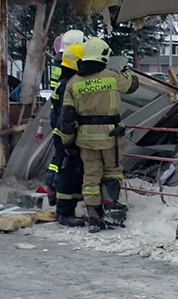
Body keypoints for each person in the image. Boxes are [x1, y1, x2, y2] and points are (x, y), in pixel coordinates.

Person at [58, 37, 139, 233]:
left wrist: (67, 143)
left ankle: (94, 216)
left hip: (85, 138)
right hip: (111, 135)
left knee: (91, 175)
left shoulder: (73, 83)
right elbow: (132, 85)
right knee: (112, 171)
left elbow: (67, 118)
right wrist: (127, 71)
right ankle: (111, 206)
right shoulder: (111, 77)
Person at [45, 43, 85, 227]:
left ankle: (60, 200)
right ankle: (64, 212)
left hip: (61, 133)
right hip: (66, 135)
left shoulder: (63, 82)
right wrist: (69, 140)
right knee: (68, 173)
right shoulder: (68, 86)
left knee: (65, 168)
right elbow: (66, 114)